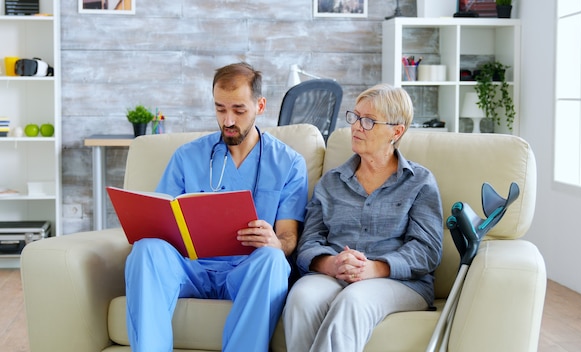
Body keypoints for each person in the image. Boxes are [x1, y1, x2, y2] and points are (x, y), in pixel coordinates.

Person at [124, 62, 309, 352]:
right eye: (220, 109)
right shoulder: (187, 156)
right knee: (146, 249)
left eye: (238, 109)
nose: (228, 120)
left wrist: (275, 242)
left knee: (273, 260)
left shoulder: (289, 163)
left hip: (245, 271)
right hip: (191, 268)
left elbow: (289, 237)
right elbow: (160, 221)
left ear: (260, 105)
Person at [283, 83, 444, 351]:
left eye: (368, 121)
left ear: (396, 131)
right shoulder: (331, 182)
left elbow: (426, 251)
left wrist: (375, 268)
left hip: (398, 282)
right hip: (333, 274)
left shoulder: (420, 182)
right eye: (355, 117)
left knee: (353, 300)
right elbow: (308, 243)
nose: (356, 126)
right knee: (301, 297)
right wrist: (332, 264)